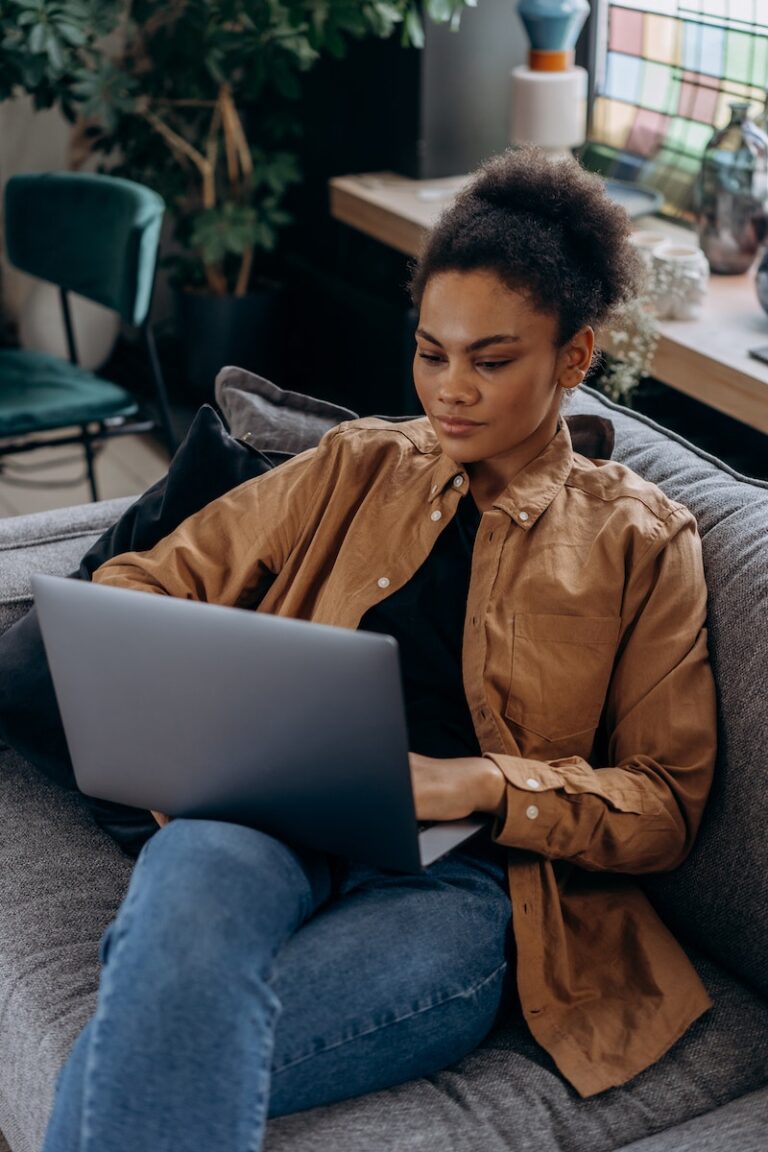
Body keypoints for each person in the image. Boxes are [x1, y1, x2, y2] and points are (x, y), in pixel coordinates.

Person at [42, 145, 717, 1151]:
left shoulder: (642, 539)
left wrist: (479, 786)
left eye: (491, 360)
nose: (450, 390)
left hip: (458, 886)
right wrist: (198, 725)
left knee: (151, 1044)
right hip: (267, 816)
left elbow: (665, 804)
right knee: (183, 942)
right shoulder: (360, 461)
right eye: (431, 351)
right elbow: (140, 581)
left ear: (573, 360)